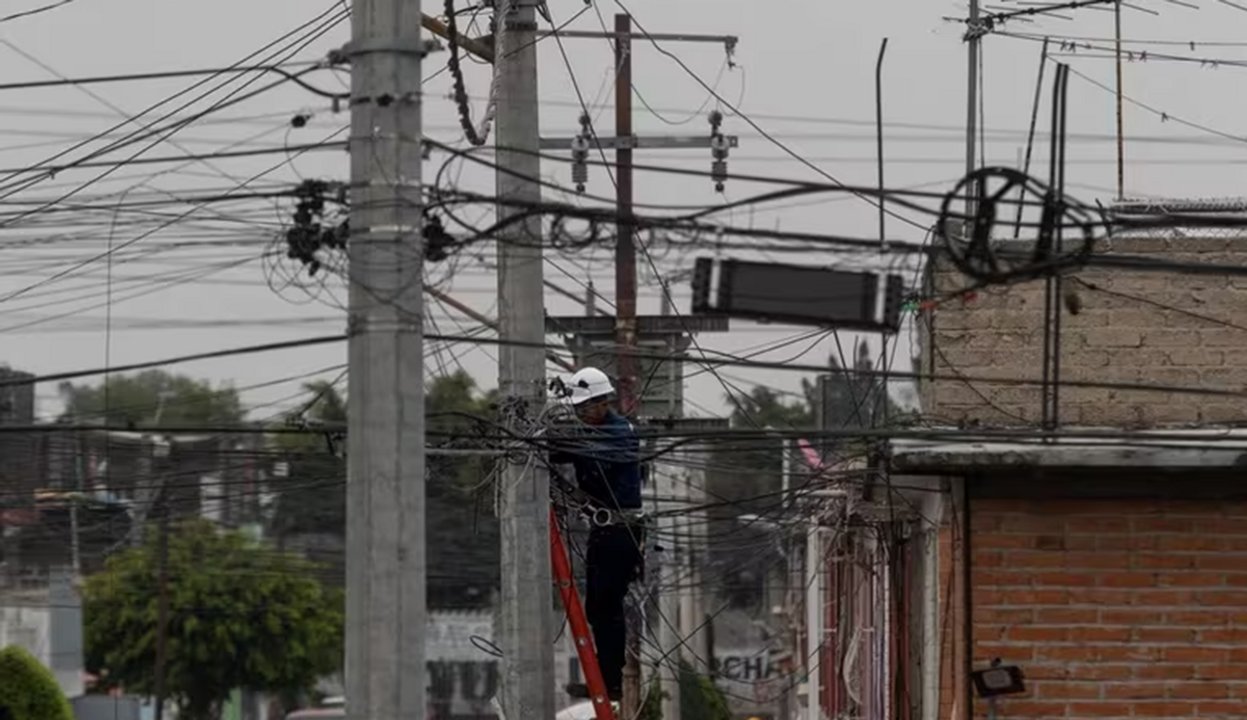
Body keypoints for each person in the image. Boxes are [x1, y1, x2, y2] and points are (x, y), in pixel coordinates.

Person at [550, 366, 644, 702]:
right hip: (605, 530)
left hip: (621, 532)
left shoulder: (619, 432)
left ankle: (609, 682)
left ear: (601, 403)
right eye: (576, 410)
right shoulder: (591, 431)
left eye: (583, 409)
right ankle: (605, 679)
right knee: (597, 608)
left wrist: (549, 440)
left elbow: (586, 453)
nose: (580, 415)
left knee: (606, 607)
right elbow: (569, 449)